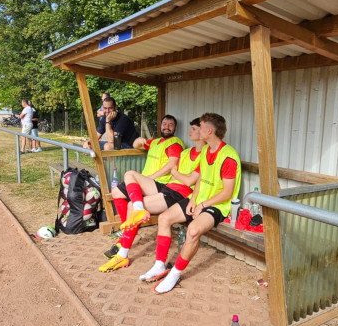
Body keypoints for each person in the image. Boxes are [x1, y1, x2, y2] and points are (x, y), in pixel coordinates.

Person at [143, 113, 241, 294]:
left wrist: (203, 205)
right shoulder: (205, 151)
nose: (197, 129)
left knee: (193, 230)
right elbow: (199, 179)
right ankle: (159, 265)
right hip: (200, 200)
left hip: (218, 205)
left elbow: (227, 192)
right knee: (164, 218)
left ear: (209, 131)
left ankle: (174, 274)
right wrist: (194, 200)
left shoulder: (228, 156)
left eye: (201, 126)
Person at [100, 117, 207, 273]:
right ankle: (124, 250)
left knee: (137, 205)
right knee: (129, 184)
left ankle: (123, 252)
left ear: (203, 133)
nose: (190, 131)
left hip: (180, 194)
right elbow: (177, 173)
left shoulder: (203, 154)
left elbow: (189, 180)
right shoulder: (186, 152)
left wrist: (176, 173)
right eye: (191, 128)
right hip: (169, 188)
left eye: (194, 129)